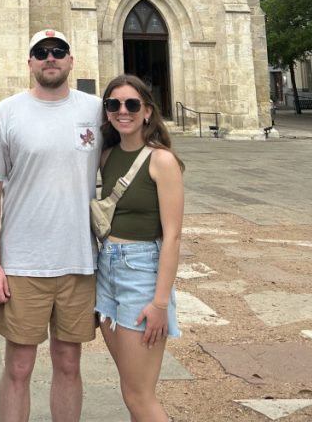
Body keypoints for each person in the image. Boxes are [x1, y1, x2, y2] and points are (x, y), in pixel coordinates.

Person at [0, 28, 102, 422]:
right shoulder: (6, 113)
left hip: (79, 261)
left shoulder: (98, 112)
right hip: (23, 263)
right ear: (29, 62)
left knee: (69, 363)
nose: (50, 57)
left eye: (59, 51)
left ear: (71, 60)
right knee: (18, 367)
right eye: (41, 52)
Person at [95, 74, 184, 422]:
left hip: (140, 273)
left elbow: (173, 236)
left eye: (132, 104)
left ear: (147, 111)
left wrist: (160, 303)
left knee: (139, 396)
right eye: (114, 105)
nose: (122, 111)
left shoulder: (162, 161)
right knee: (132, 390)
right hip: (106, 272)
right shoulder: (106, 156)